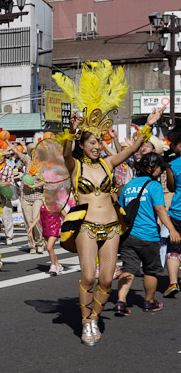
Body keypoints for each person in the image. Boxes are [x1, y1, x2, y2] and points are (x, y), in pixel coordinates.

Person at [54, 60, 165, 346]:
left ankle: (93, 317)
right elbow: (65, 153)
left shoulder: (107, 162)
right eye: (89, 141)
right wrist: (71, 130)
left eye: (97, 141)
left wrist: (148, 127)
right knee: (88, 277)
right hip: (86, 227)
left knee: (106, 281)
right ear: (82, 143)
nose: (94, 145)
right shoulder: (75, 166)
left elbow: (130, 150)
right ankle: (84, 321)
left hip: (112, 226)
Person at [115, 152, 180, 316]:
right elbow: (160, 209)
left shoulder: (128, 186)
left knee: (128, 269)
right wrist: (172, 229)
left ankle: (120, 302)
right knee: (151, 271)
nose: (162, 171)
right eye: (160, 168)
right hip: (148, 235)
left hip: (128, 236)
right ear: (151, 168)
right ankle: (149, 301)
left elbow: (121, 210)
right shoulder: (154, 185)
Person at [27, 203, 65, 276]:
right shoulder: (43, 206)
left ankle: (53, 266)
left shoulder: (58, 205)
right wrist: (31, 227)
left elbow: (66, 216)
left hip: (55, 228)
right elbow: (38, 217)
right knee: (50, 249)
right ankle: (58, 265)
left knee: (49, 247)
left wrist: (62, 227)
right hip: (45, 229)